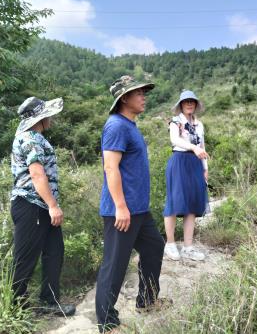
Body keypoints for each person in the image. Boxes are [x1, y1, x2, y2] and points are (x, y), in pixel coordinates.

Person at [95, 75, 170, 333]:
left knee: (154, 247)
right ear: (124, 98)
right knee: (115, 264)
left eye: (144, 93)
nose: (144, 97)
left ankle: (146, 301)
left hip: (138, 209)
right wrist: (120, 206)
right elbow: (110, 167)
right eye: (139, 93)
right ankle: (107, 322)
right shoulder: (116, 126)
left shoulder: (130, 125)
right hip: (122, 210)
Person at [10, 96, 75, 316]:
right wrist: (53, 205)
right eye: (47, 114)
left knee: (54, 252)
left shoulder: (34, 136)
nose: (51, 118)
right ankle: (14, 309)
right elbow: (37, 174)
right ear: (40, 117)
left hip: (41, 206)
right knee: (25, 258)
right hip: (32, 205)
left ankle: (49, 301)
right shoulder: (31, 138)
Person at [163, 90, 209, 261]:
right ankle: (170, 244)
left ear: (196, 104)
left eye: (192, 101)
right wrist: (193, 148)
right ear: (181, 104)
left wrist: (205, 168)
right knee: (174, 201)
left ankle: (188, 247)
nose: (189, 104)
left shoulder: (199, 125)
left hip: (195, 164)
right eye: (186, 101)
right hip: (179, 162)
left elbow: (203, 146)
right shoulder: (175, 122)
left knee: (193, 203)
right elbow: (175, 140)